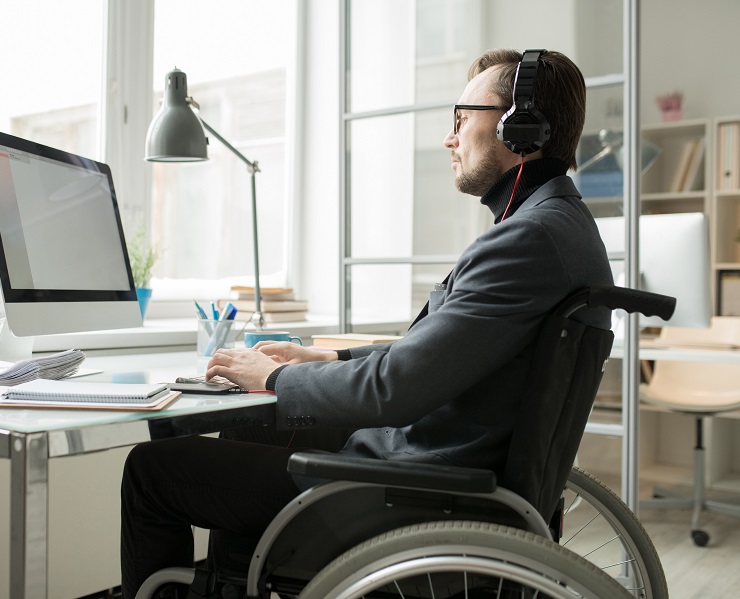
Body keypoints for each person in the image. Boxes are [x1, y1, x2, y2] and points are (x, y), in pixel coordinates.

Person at [121, 48, 614, 599]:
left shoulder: (529, 239)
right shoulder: (558, 226)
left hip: (415, 494)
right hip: (449, 470)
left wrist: (273, 378)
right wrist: (327, 359)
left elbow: (397, 389)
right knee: (248, 428)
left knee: (151, 470)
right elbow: (437, 354)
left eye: (461, 120)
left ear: (521, 127)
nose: (450, 140)